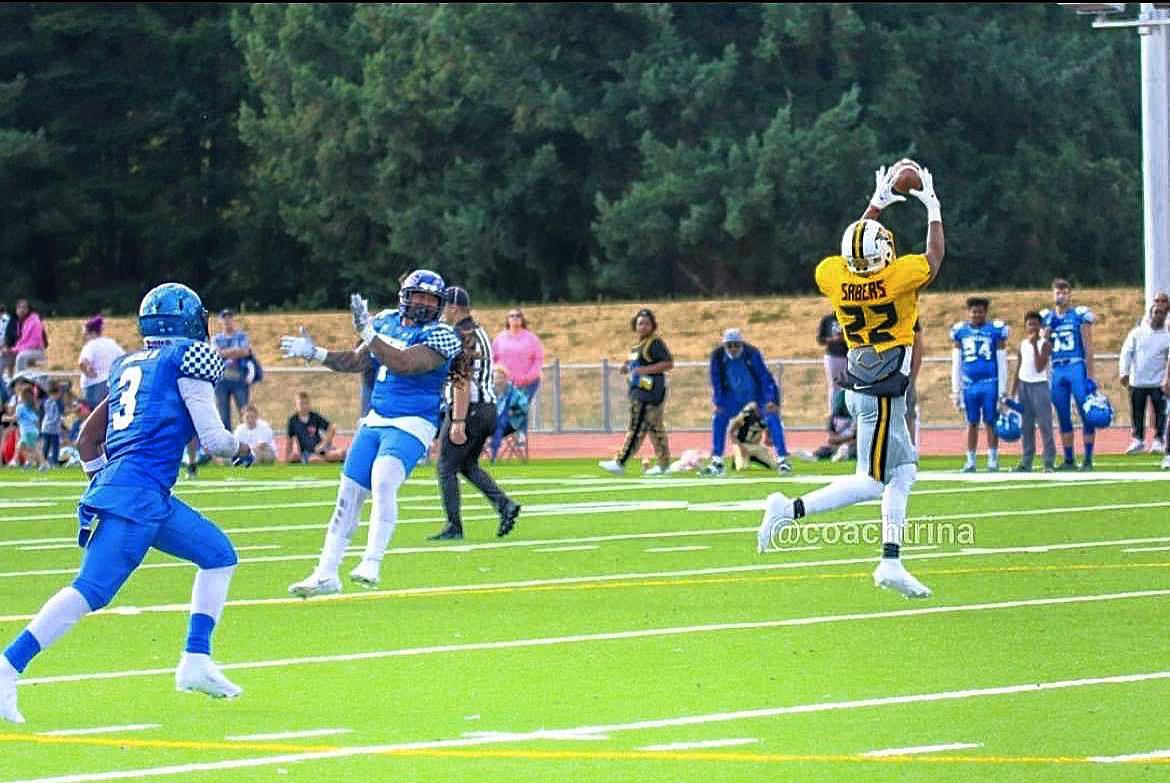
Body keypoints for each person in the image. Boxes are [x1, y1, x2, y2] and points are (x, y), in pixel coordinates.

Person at [0, 282, 255, 724]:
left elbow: (86, 441)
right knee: (91, 590)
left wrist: (108, 483)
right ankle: (7, 667)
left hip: (142, 492)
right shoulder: (187, 358)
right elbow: (214, 440)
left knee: (218, 555)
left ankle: (196, 660)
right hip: (138, 494)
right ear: (191, 322)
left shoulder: (126, 365)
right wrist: (243, 449)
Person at [757, 160, 944, 599]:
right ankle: (789, 509)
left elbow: (854, 249)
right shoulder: (897, 277)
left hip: (864, 377)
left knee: (903, 471)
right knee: (872, 480)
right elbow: (933, 258)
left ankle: (891, 561)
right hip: (880, 388)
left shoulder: (833, 276)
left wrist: (875, 204)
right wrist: (932, 204)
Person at [281, 269, 463, 594]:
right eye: (417, 296)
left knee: (383, 480)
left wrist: (368, 332)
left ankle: (372, 562)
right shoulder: (386, 321)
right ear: (405, 296)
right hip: (376, 418)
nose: (422, 303)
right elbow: (356, 361)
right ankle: (325, 573)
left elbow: (405, 363)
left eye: (429, 298)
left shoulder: (444, 335)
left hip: (413, 421)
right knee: (348, 495)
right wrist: (316, 353)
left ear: (439, 304)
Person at [429, 287, 521, 541]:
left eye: (444, 306)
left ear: (453, 308)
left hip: (468, 408)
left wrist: (457, 421)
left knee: (446, 467)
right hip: (486, 408)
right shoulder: (479, 330)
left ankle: (454, 526)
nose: (441, 311)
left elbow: (462, 380)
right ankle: (504, 505)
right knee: (467, 465)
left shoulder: (461, 335)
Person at [701, 328, 790, 476]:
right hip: (733, 396)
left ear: (741, 344)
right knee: (718, 417)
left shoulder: (752, 353)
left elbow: (764, 376)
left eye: (736, 345)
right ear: (724, 346)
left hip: (756, 394)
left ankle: (782, 459)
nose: (733, 349)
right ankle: (717, 460)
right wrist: (718, 402)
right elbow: (716, 381)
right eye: (729, 345)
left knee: (772, 417)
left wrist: (769, 399)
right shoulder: (717, 356)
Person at [598, 308, 673, 475]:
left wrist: (644, 370)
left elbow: (668, 363)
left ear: (653, 325)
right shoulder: (638, 346)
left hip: (648, 393)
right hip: (641, 391)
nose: (643, 326)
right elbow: (635, 367)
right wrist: (627, 368)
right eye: (640, 323)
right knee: (655, 429)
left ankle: (620, 462)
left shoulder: (654, 343)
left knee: (636, 427)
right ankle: (664, 464)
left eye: (647, 323)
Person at [1040, 279, 1098, 471]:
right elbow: (1041, 347)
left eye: (1064, 292)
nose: (1061, 296)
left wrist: (1090, 376)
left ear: (1070, 294)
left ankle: (1088, 457)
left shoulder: (1078, 316)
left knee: (1085, 412)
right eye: (1057, 292)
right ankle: (1069, 459)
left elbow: (1088, 348)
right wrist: (1049, 328)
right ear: (1052, 294)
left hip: (1075, 366)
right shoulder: (1047, 318)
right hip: (1057, 368)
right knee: (1062, 414)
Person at [950, 297, 1010, 472]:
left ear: (985, 313)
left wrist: (1002, 390)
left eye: (980, 311)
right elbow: (957, 363)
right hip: (969, 384)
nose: (977, 315)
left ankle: (993, 458)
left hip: (989, 382)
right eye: (974, 311)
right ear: (969, 313)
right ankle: (970, 460)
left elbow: (1001, 361)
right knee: (971, 422)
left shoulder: (995, 330)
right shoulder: (961, 332)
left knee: (991, 421)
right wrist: (956, 390)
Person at [1007, 311, 1057, 472]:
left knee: (1044, 424)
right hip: (1024, 386)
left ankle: (1048, 461)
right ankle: (1026, 460)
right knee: (1026, 426)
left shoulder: (1045, 344)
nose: (1033, 327)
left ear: (1040, 326)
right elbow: (1019, 368)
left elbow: (1039, 366)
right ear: (1025, 326)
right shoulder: (1022, 344)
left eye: (1036, 324)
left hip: (1039, 386)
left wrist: (1035, 344)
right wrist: (1012, 392)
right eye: (1030, 324)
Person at [1120, 303, 1169, 454]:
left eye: (1161, 313)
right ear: (1150, 314)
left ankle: (1158, 440)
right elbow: (1126, 352)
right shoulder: (1137, 333)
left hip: (1158, 382)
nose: (1158, 315)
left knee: (1161, 413)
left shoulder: (1167, 336)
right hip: (1138, 381)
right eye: (1156, 312)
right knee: (1137, 412)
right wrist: (1124, 372)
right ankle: (1138, 440)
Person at [492, 307, 544, 405]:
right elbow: (492, 359)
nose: (515, 318)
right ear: (508, 320)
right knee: (505, 411)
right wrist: (498, 376)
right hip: (505, 384)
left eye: (518, 316)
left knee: (519, 412)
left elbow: (538, 359)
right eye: (512, 316)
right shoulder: (500, 339)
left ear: (522, 319)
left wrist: (528, 376)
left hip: (527, 384)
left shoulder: (531, 338)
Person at [211, 309, 252, 430]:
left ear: (233, 320)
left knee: (244, 410)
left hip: (239, 377)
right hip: (221, 378)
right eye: (224, 318)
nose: (227, 320)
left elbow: (245, 351)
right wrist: (234, 351)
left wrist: (225, 352)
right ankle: (227, 445)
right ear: (220, 321)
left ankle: (246, 439)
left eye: (229, 317)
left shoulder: (242, 336)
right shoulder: (216, 339)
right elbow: (215, 353)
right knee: (223, 414)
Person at [77, 315, 125, 408]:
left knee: (93, 415)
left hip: (93, 386)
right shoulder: (111, 343)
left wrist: (88, 373)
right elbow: (123, 357)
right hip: (110, 383)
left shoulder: (91, 345)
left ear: (89, 331)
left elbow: (82, 363)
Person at [284, 391, 345, 464]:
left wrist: (323, 444)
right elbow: (289, 442)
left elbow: (332, 427)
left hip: (321, 450)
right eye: (301, 404)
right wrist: (287, 460)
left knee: (341, 453)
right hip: (306, 453)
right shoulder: (293, 421)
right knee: (314, 460)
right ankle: (330, 463)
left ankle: (333, 460)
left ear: (309, 404)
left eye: (306, 403)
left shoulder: (314, 416)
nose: (304, 406)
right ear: (296, 405)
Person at [489, 367, 530, 463]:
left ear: (506, 378)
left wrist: (514, 411)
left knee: (500, 425)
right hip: (492, 422)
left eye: (500, 378)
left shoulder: (515, 393)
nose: (498, 381)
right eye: (496, 378)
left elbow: (524, 408)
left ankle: (494, 454)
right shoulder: (490, 393)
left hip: (511, 423)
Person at [727, 402, 778, 471]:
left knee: (775, 466)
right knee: (742, 469)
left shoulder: (767, 417)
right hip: (741, 444)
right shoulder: (745, 414)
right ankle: (737, 459)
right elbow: (731, 433)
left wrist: (769, 440)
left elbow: (768, 437)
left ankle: (753, 458)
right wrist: (740, 447)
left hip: (755, 446)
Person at [816, 311, 848, 414]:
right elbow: (820, 339)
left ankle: (850, 415)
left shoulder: (850, 316)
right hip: (833, 355)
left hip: (850, 355)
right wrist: (834, 339)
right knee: (835, 386)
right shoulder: (828, 319)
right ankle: (834, 414)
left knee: (851, 387)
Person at [14, 386, 48, 472]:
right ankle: (30, 461)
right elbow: (36, 421)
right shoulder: (32, 408)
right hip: (33, 431)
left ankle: (43, 464)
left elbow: (16, 418)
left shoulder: (20, 407)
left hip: (27, 432)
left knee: (35, 448)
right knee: (20, 447)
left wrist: (5, 418)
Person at [12, 300, 47, 373]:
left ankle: (20, 381)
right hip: (23, 349)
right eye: (19, 308)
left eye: (24, 308)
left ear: (28, 309)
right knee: (2, 357)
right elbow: (21, 341)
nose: (21, 310)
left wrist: (15, 350)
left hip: (37, 351)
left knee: (21, 357)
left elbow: (34, 343)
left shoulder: (34, 321)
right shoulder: (20, 322)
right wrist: (10, 350)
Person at [905, 320, 923, 445]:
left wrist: (913, 376)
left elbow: (918, 346)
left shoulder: (910, 315)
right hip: (884, 373)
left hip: (904, 374)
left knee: (908, 414)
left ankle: (909, 451)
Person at [40, 381, 64, 468]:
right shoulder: (58, 402)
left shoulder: (46, 401)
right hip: (54, 427)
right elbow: (62, 412)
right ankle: (54, 462)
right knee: (55, 446)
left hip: (45, 426)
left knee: (46, 445)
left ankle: (43, 461)